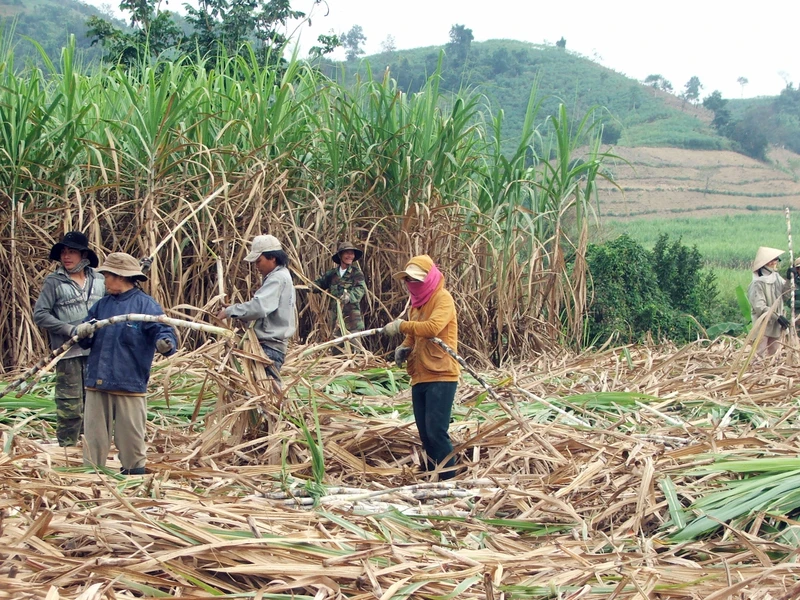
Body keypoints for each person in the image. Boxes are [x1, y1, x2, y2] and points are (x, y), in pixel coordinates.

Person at [76, 252, 178, 475]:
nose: (104, 280)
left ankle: (134, 480)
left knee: (131, 438)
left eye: (107, 276)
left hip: (129, 382)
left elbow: (163, 331)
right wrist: (83, 331)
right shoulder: (101, 306)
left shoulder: (146, 306)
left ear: (119, 277)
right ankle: (91, 482)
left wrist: (165, 343)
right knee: (94, 438)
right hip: (97, 382)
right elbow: (85, 337)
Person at [383, 255, 460, 480]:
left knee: (437, 431)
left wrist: (400, 325)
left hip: (441, 374)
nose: (411, 284)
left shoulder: (442, 298)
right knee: (425, 433)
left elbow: (434, 327)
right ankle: (429, 477)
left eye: (416, 279)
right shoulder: (416, 307)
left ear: (430, 278)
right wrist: (404, 347)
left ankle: (448, 481)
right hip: (420, 375)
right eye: (408, 280)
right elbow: (412, 336)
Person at [33, 231, 106, 447]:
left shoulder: (100, 279)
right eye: (64, 252)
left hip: (96, 352)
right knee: (70, 405)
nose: (66, 256)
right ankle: (67, 450)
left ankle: (92, 447)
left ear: (83, 254)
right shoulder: (54, 282)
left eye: (71, 252)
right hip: (68, 352)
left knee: (96, 402)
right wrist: (69, 329)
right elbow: (40, 314)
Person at [216, 235, 296, 378]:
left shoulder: (277, 278)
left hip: (270, 347)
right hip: (271, 346)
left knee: (267, 392)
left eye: (259, 261)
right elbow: (264, 308)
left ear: (273, 258)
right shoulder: (282, 276)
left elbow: (259, 307)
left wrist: (230, 311)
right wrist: (239, 310)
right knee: (267, 391)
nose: (257, 266)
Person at [312, 241, 367, 336]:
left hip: (352, 319)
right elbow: (320, 284)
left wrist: (349, 296)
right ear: (340, 255)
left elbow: (360, 289)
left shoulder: (356, 273)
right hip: (336, 320)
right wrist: (310, 286)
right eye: (347, 253)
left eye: (352, 253)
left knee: (355, 348)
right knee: (336, 348)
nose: (350, 256)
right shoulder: (332, 274)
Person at [748, 246, 792, 357]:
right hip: (763, 325)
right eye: (773, 260)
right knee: (759, 355)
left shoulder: (776, 278)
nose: (775, 263)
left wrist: (789, 279)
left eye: (776, 260)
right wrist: (777, 316)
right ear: (766, 263)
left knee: (774, 355)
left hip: (776, 325)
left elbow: (786, 295)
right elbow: (760, 307)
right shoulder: (757, 283)